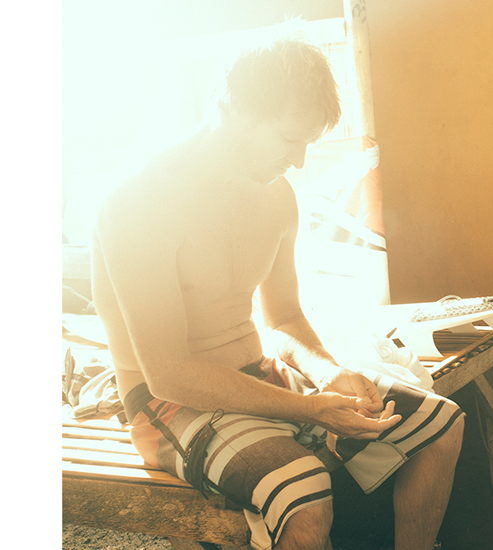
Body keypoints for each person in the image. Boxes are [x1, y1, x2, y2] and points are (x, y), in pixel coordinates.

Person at [91, 27, 464, 550]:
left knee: (438, 424)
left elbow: (284, 318)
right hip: (168, 405)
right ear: (231, 111)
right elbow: (169, 374)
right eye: (290, 140)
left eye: (309, 142)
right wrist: (311, 410)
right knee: (303, 489)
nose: (299, 161)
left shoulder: (276, 197)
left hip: (259, 378)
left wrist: (329, 373)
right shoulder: (139, 205)